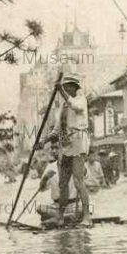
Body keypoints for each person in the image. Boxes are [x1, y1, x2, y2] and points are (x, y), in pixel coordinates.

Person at [42, 73, 92, 227]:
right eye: (64, 88)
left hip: (78, 142)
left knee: (78, 180)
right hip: (66, 145)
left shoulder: (80, 100)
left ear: (74, 88)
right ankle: (60, 216)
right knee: (63, 183)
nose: (66, 90)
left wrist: (61, 92)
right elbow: (57, 130)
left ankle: (86, 217)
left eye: (68, 87)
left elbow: (74, 106)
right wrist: (45, 140)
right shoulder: (62, 108)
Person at [36, 142, 80, 224]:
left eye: (56, 148)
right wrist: (45, 178)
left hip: (72, 204)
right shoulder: (50, 166)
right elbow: (41, 189)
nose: (53, 151)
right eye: (52, 148)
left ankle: (59, 218)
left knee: (85, 208)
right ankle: (64, 217)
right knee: (39, 208)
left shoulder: (74, 165)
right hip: (57, 206)